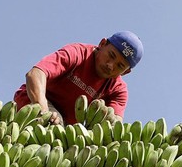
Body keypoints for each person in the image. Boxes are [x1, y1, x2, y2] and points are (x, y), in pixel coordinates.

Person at [13, 31, 143, 125]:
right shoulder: (78, 53)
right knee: (55, 125)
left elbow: (114, 124)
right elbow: (36, 74)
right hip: (35, 102)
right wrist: (43, 109)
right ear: (102, 44)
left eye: (120, 66)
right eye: (111, 55)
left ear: (126, 72)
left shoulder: (118, 90)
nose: (110, 66)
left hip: (69, 127)